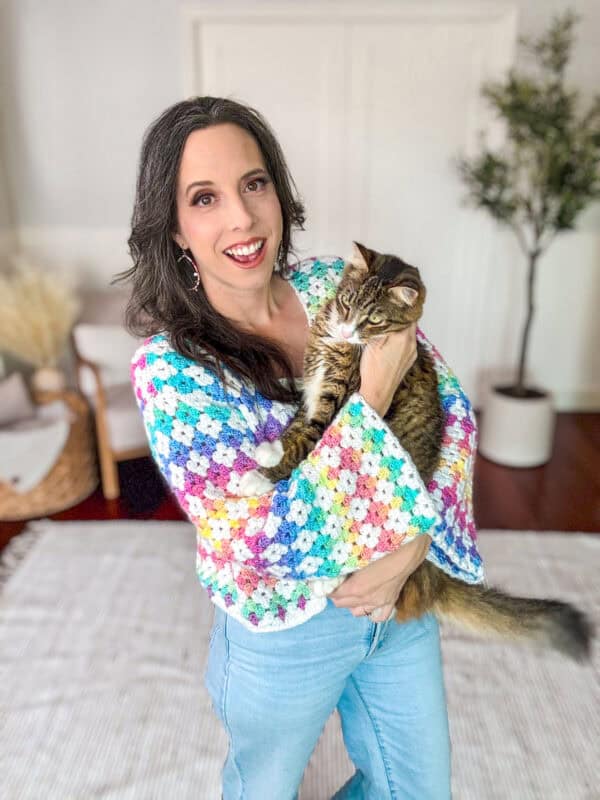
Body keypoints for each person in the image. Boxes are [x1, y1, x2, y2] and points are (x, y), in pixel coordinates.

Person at [120, 96, 484, 800]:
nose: (242, 218)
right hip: (286, 637)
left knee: (417, 789)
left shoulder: (333, 286)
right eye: (204, 198)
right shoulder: (171, 371)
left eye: (254, 184)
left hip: (401, 604)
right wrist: (371, 398)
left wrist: (413, 548)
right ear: (173, 232)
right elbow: (260, 543)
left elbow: (454, 419)